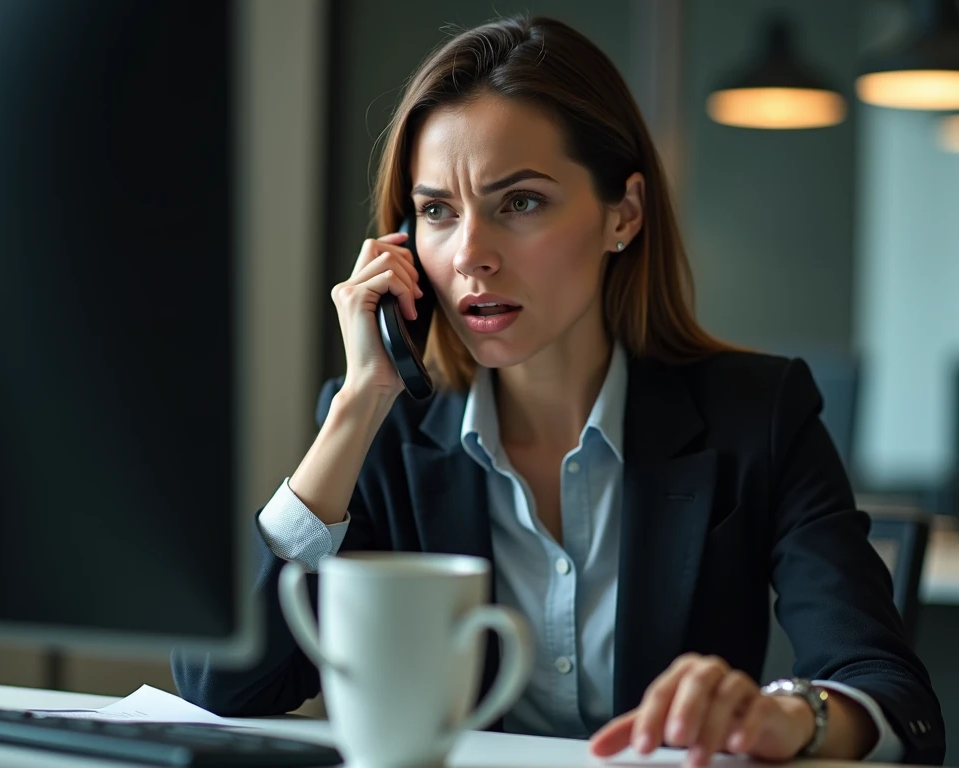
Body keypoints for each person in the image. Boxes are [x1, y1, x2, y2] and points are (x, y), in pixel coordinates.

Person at [172, 15, 945, 766]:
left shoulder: (759, 415)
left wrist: (786, 717)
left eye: (521, 202)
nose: (471, 254)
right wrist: (356, 407)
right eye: (437, 211)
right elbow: (222, 685)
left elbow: (893, 698)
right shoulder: (382, 430)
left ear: (624, 213)